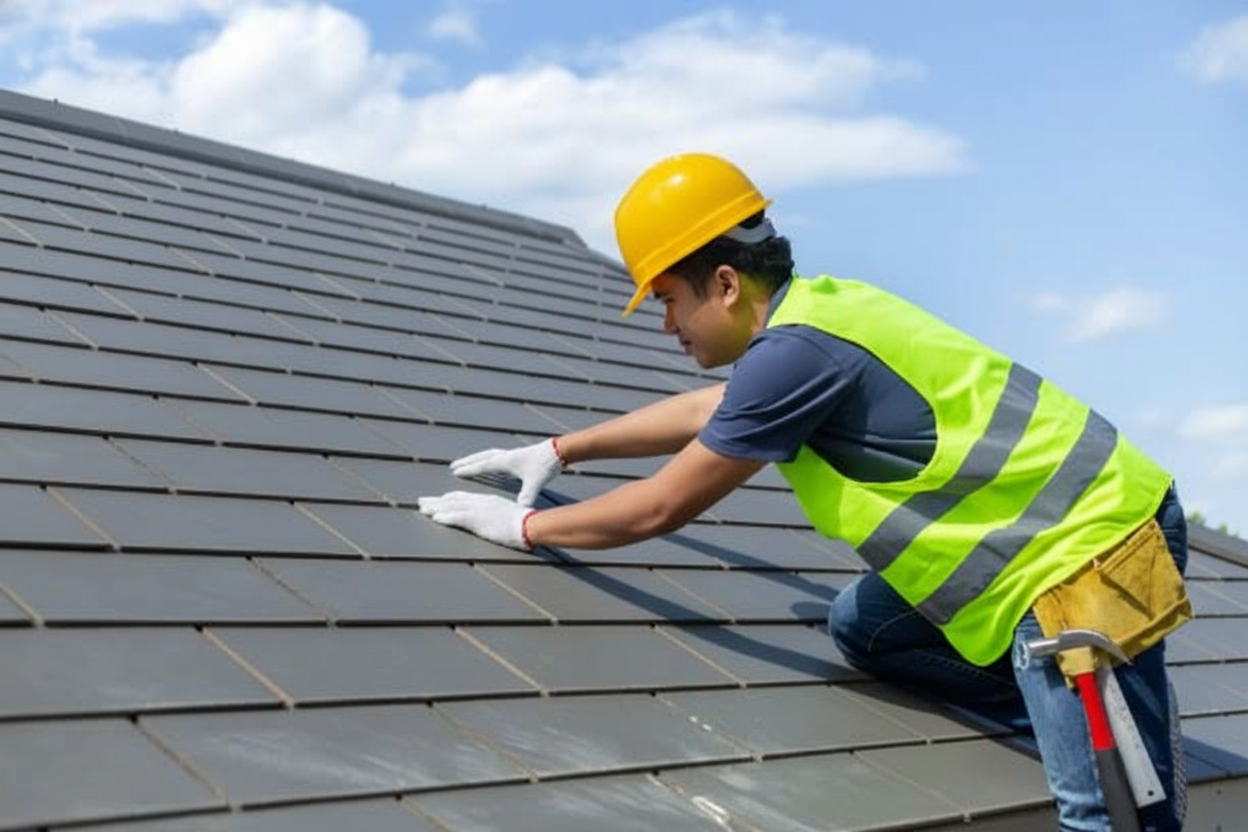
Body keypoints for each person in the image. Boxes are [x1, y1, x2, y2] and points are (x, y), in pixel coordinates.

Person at [418, 152, 1192, 831]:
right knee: (864, 627)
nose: (666, 326)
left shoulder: (797, 354)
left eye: (667, 299)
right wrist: (560, 451)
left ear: (722, 283)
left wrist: (521, 531)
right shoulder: (812, 317)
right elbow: (708, 411)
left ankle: (1106, 726)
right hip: (1043, 543)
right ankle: (1073, 711)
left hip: (1089, 554)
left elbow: (661, 507)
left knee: (1110, 814)